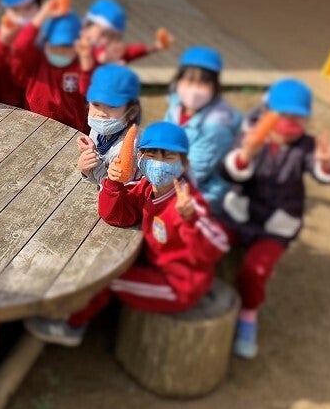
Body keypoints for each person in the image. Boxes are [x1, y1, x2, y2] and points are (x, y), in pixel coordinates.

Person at [26, 122, 229, 346]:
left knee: (109, 280)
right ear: (140, 158)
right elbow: (116, 216)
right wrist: (112, 183)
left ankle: (72, 325)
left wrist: (189, 221)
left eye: (168, 157)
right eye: (151, 155)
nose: (158, 163)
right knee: (98, 265)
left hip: (179, 284)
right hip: (152, 264)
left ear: (184, 164)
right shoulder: (145, 187)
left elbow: (216, 248)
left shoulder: (189, 203)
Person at [221, 78, 330, 359]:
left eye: (297, 119)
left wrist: (327, 164)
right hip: (240, 212)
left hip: (277, 223)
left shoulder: (306, 147)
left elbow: (322, 171)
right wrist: (246, 154)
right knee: (209, 243)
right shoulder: (251, 136)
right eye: (283, 115)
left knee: (255, 270)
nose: (289, 124)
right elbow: (229, 171)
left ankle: (248, 315)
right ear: (266, 112)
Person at [163, 46, 242, 214]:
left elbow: (195, 172)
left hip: (203, 191)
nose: (194, 89)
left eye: (202, 83)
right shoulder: (176, 105)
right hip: (172, 174)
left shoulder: (216, 126)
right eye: (189, 80)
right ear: (178, 80)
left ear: (215, 87)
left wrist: (155, 175)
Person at [10, 0, 94, 133]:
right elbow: (20, 47)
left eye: (66, 47)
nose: (60, 52)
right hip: (34, 124)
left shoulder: (80, 64)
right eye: (55, 46)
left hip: (71, 128)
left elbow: (90, 91)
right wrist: (41, 16)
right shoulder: (36, 60)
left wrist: (86, 60)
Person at [76, 63, 142, 187]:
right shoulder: (100, 128)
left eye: (112, 106)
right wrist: (90, 155)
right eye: (96, 104)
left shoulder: (131, 148)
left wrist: (90, 168)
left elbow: (111, 189)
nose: (101, 113)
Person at [81, 0, 171, 65]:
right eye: (102, 34)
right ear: (86, 26)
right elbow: (99, 54)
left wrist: (156, 46)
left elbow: (132, 51)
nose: (106, 41)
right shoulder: (76, 45)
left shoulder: (112, 53)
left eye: (113, 38)